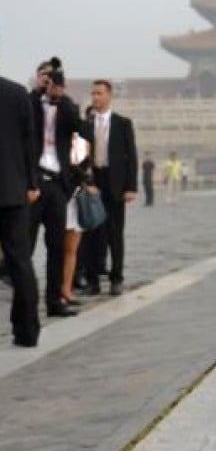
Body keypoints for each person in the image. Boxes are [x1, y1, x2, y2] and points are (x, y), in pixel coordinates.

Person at [29, 60, 82, 317]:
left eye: (53, 78)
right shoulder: (29, 102)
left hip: (57, 184)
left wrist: (60, 97)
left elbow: (79, 127)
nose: (49, 81)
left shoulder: (66, 106)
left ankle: (54, 300)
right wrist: (39, 91)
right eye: (45, 76)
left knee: (57, 246)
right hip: (32, 183)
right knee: (24, 246)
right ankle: (25, 302)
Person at [83, 79, 138, 297]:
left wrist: (130, 187)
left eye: (99, 93)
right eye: (93, 93)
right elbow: (78, 156)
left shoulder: (123, 124)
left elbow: (131, 157)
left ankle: (117, 278)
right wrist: (86, 182)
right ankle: (93, 280)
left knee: (115, 233)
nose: (95, 97)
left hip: (115, 183)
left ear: (109, 95)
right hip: (93, 182)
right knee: (92, 234)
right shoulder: (85, 123)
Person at [0, 72, 42, 347]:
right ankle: (27, 331)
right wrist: (32, 183)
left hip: (14, 190)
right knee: (21, 263)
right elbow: (31, 143)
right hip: (13, 191)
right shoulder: (17, 94)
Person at [61, 132, 91, 307]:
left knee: (72, 248)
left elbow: (85, 169)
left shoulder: (83, 143)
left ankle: (66, 288)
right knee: (57, 246)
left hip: (76, 198)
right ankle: (56, 287)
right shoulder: (56, 139)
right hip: (58, 196)